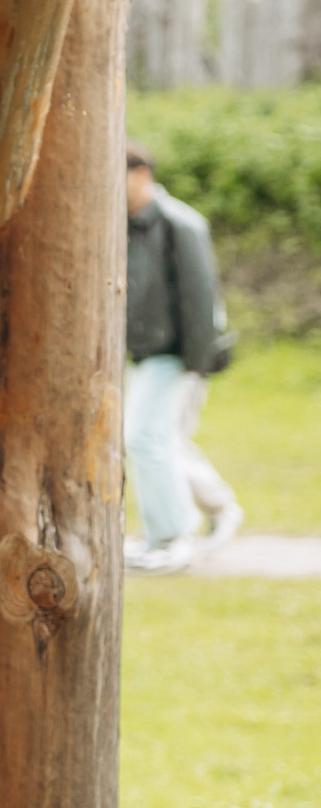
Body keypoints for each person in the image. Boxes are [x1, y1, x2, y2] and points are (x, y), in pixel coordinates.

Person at [125, 137, 240, 573]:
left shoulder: (179, 224)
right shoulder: (127, 223)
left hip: (177, 355)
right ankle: (190, 522)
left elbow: (199, 297)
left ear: (140, 175)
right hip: (145, 353)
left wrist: (198, 363)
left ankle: (176, 537)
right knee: (153, 439)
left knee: (145, 438)